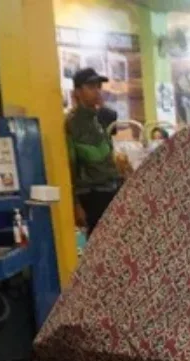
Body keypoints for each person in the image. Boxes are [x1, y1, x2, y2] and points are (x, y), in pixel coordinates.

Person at [66, 68, 122, 238]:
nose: (97, 90)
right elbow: (71, 166)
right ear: (77, 92)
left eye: (98, 86)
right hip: (91, 195)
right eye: (91, 86)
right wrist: (76, 204)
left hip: (110, 190)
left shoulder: (98, 119)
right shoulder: (73, 123)